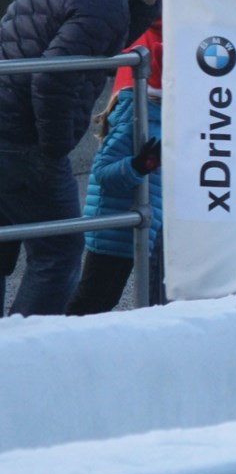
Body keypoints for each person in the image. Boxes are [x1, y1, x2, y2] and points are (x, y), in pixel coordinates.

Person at [0, 0, 162, 316]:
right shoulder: (102, 1)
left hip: (6, 118)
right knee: (59, 252)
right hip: (23, 138)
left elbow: (105, 41)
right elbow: (53, 78)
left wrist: (145, 3)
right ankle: (27, 354)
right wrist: (54, 150)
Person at [64, 17, 164, 316]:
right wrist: (137, 165)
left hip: (131, 227)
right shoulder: (138, 118)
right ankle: (57, 345)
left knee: (99, 300)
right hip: (115, 230)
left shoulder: (156, 117)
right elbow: (104, 172)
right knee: (92, 302)